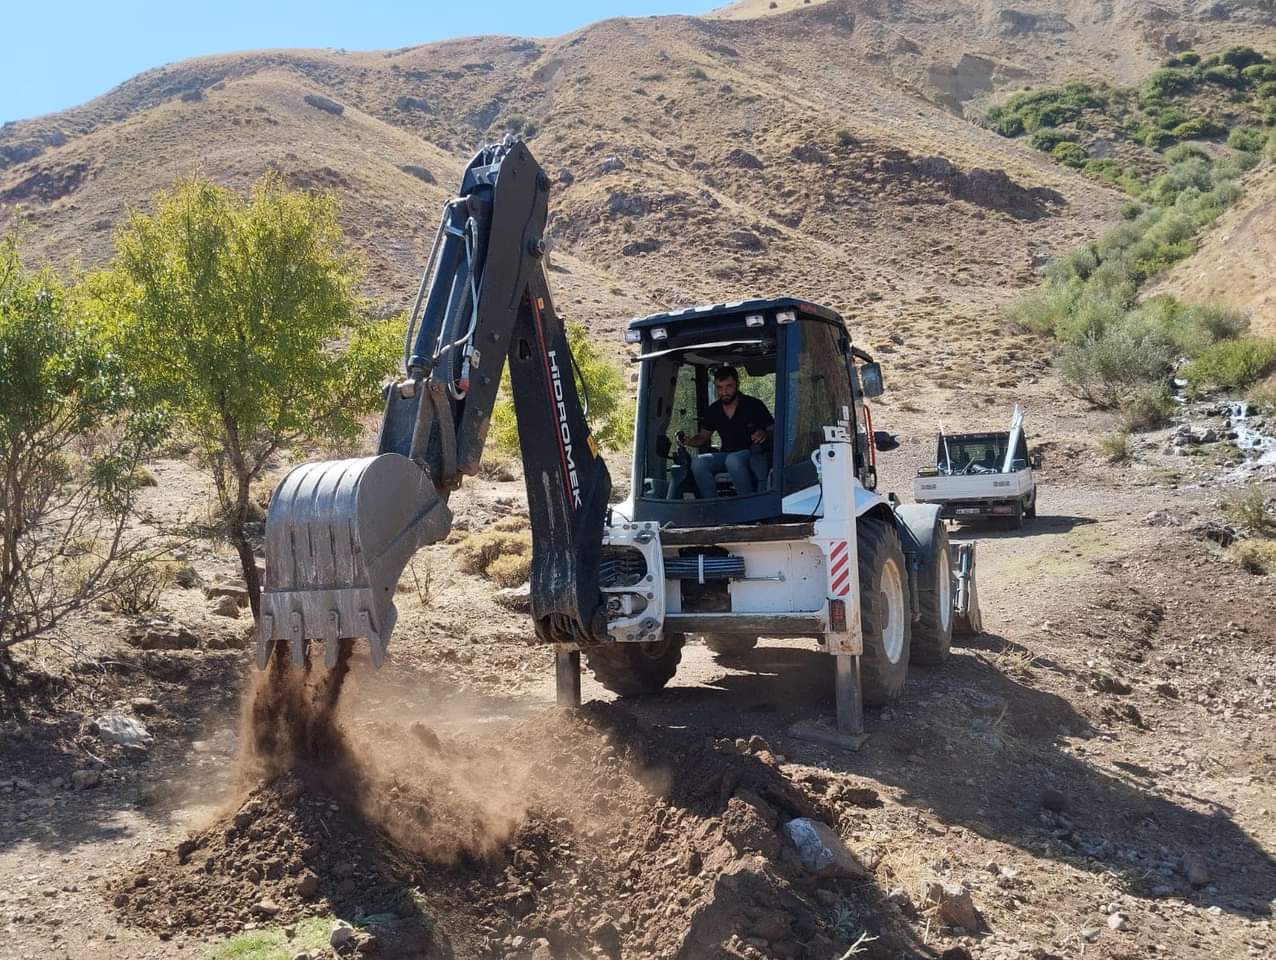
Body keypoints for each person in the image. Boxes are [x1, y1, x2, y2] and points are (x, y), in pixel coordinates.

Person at [678, 365, 774, 498]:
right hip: (726, 455)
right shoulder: (714, 410)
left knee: (733, 460)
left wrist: (764, 433)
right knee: (698, 462)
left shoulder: (754, 405)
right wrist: (688, 441)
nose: (724, 392)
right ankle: (713, 505)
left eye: (728, 386)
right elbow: (703, 437)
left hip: (753, 454)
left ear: (737, 384)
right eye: (719, 388)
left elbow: (773, 429)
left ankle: (747, 504)